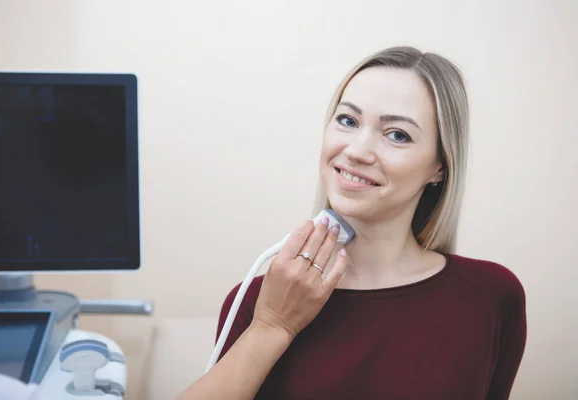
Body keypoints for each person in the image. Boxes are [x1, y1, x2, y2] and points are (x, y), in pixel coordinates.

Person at [176, 46, 527, 400]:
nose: (357, 150)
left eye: (397, 135)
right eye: (348, 121)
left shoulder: (492, 297)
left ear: (439, 166)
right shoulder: (256, 300)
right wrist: (272, 326)